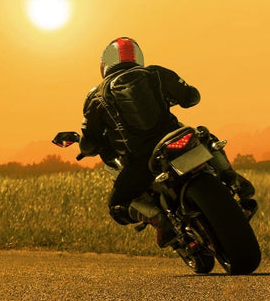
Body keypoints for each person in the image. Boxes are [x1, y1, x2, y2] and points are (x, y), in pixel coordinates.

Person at [73, 37, 255, 247]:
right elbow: (191, 98)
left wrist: (91, 145)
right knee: (205, 136)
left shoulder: (96, 96)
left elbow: (88, 144)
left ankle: (158, 218)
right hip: (177, 139)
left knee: (117, 206)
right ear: (136, 56)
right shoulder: (155, 72)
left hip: (143, 160)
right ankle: (232, 179)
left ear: (105, 64)